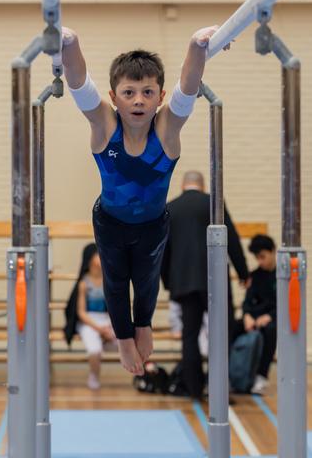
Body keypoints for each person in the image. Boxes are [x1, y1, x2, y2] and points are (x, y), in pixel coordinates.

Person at [61, 23, 228, 376]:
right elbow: (78, 83)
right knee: (116, 279)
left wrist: (197, 46)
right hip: (109, 221)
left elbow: (189, 85)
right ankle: (124, 338)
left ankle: (144, 324)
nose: (138, 100)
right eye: (129, 92)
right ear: (113, 96)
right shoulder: (104, 124)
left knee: (148, 278)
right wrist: (69, 42)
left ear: (160, 96)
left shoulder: (167, 128)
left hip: (154, 223)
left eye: (147, 92)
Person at [161, 170, 249, 399]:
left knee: (189, 335)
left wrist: (168, 281)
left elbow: (162, 248)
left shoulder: (171, 207)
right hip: (215, 280)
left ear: (183, 186)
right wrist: (243, 271)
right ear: (202, 186)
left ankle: (193, 389)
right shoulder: (214, 204)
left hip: (184, 282)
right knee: (221, 333)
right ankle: (218, 389)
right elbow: (232, 239)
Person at [234, 234, 277, 395]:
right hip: (253, 317)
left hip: (272, 319)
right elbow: (247, 301)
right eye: (257, 258)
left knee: (271, 330)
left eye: (263, 257)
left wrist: (270, 316)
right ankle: (231, 375)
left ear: (273, 252)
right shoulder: (255, 276)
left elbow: (284, 304)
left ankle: (261, 376)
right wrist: (247, 316)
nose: (260, 261)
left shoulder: (282, 276)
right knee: (231, 327)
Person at [75, 244, 117, 389]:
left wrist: (109, 326)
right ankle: (94, 375)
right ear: (90, 259)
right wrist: (98, 329)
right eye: (98, 255)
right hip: (89, 321)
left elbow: (113, 308)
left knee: (126, 342)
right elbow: (81, 312)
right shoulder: (84, 283)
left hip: (106, 320)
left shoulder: (108, 281)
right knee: (94, 350)